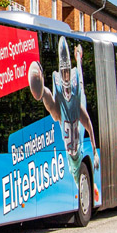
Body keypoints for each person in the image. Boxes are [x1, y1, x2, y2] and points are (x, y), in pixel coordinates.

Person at [27, 39, 96, 181]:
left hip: (78, 145)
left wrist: (95, 152)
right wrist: (41, 89)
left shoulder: (77, 99)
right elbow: (49, 101)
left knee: (81, 93)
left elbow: (88, 123)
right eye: (63, 71)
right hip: (72, 153)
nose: (65, 75)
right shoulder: (59, 105)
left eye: (67, 71)